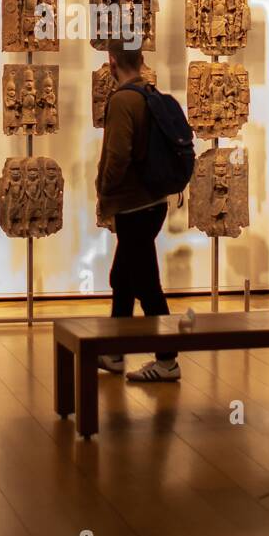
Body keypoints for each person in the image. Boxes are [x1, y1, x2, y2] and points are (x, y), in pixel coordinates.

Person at [95, 39, 180, 383]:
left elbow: (117, 156)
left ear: (112, 63)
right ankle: (115, 352)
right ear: (141, 61)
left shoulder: (123, 101)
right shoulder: (150, 95)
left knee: (146, 283)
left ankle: (167, 359)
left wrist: (104, 189)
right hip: (153, 201)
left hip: (133, 204)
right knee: (123, 277)